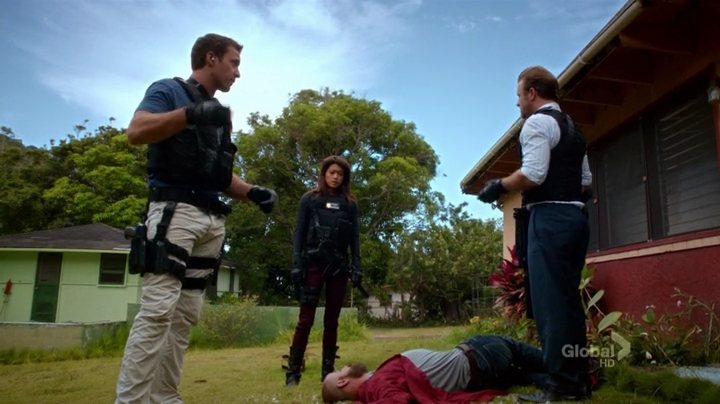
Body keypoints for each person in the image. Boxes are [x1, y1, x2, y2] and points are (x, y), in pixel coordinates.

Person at [115, 33, 278, 404]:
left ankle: (165, 397)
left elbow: (217, 173)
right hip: (175, 214)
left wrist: (252, 191)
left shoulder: (219, 116)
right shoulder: (168, 91)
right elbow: (136, 132)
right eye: (234, 63)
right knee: (158, 312)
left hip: (211, 221)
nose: (238, 72)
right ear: (211, 58)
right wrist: (189, 114)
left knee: (185, 316)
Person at [476, 66, 593, 402]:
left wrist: (499, 185)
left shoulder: (537, 123)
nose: (517, 103)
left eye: (518, 95)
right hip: (575, 218)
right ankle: (577, 380)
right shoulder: (573, 128)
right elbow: (585, 182)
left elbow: (534, 174)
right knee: (568, 302)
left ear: (532, 93)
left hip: (550, 219)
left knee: (550, 304)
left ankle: (560, 385)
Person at [284, 155, 362, 387]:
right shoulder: (309, 199)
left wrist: (357, 266)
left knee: (332, 321)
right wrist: (297, 264)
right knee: (305, 320)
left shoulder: (350, 204)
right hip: (313, 264)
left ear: (344, 177)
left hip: (339, 267)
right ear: (324, 174)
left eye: (340, 174)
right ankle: (293, 373)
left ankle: (327, 373)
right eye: (331, 172)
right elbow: (299, 232)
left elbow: (355, 238)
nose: (335, 177)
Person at [320, 334, 550, 403]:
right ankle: (568, 368)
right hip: (483, 354)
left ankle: (560, 379)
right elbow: (397, 401)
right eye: (340, 370)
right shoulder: (378, 384)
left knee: (524, 376)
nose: (345, 366)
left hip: (482, 369)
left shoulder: (374, 385)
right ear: (343, 381)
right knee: (548, 360)